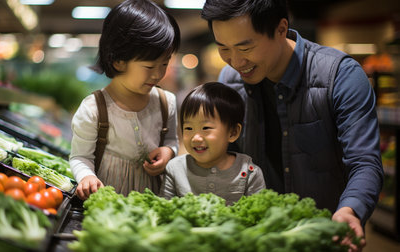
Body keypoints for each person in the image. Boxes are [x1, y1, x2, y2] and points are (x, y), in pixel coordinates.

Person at [201, 0, 383, 250]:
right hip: (258, 239)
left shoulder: (340, 76)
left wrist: (350, 209)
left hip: (321, 236)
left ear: (281, 29)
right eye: (223, 48)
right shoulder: (229, 82)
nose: (235, 61)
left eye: (246, 48)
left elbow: (365, 162)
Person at [70, 0, 180, 200]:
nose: (158, 74)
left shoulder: (167, 103)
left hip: (155, 201)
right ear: (118, 61)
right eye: (149, 67)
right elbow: (80, 156)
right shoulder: (94, 109)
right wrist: (86, 176)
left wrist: (168, 152)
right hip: (109, 203)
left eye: (164, 64)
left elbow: (172, 140)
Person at [160, 82, 266, 205]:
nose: (196, 138)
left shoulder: (249, 172)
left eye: (205, 128)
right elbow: (164, 209)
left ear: (233, 133)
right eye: (188, 128)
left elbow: (259, 213)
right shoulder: (174, 169)